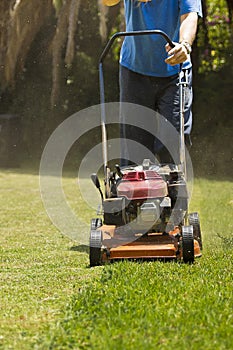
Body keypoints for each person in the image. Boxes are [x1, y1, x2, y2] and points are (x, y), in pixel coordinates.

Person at [103, 0, 202, 165]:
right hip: (134, 70)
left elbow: (189, 15)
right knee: (134, 147)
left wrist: (184, 45)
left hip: (175, 73)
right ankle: (133, 189)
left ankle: (174, 187)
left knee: (173, 143)